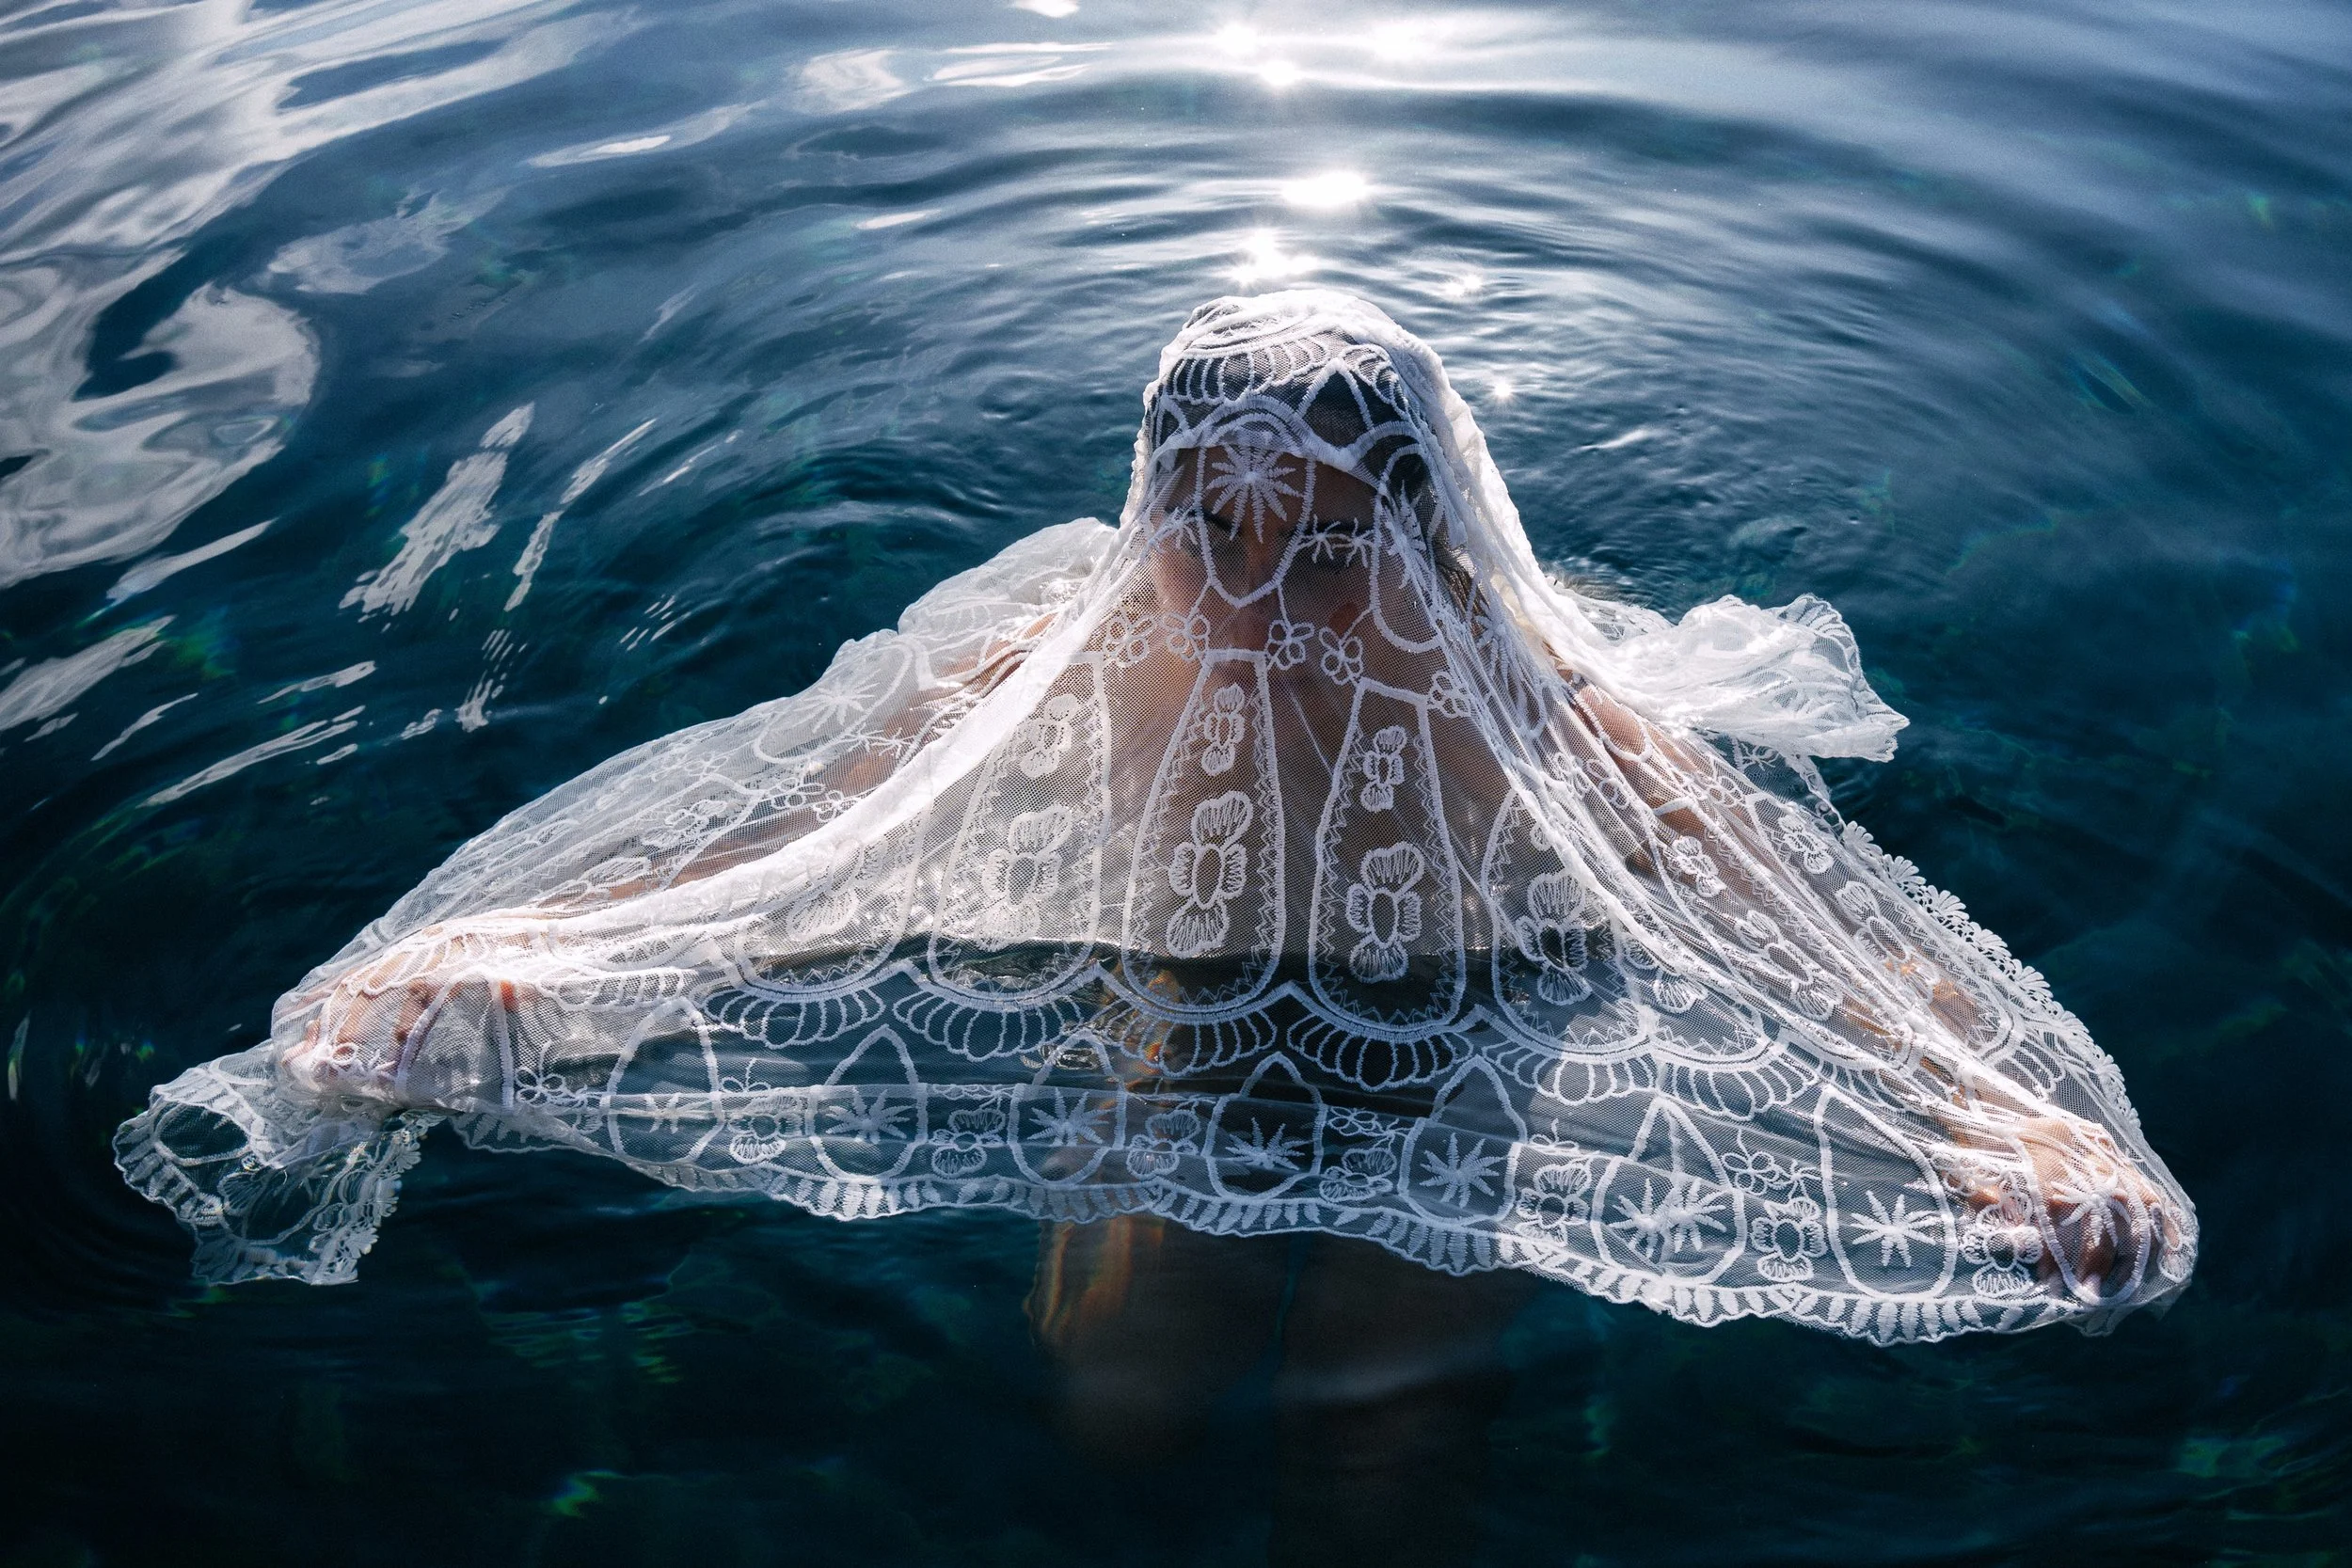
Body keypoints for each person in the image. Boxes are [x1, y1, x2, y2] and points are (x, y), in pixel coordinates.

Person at [118, 289, 2196, 1356]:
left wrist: (1987, 1120)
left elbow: (1779, 912)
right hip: (1180, 1025)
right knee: (1117, 1409)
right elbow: (805, 840)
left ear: (1427, 536)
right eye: (1218, 533)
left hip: (1481, 1062)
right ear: (1160, 516)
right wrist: (519, 964)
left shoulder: (1520, 699)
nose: (1266, 592)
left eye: (1324, 546)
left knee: (1380, 1477)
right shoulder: (1076, 655)